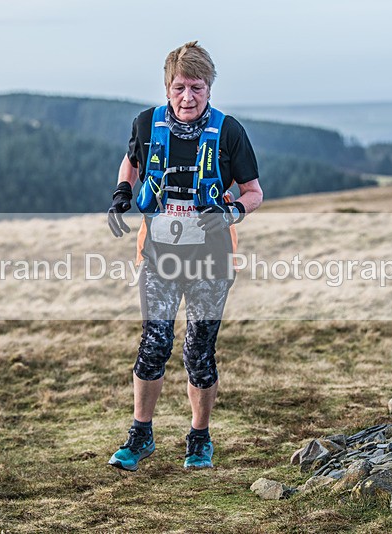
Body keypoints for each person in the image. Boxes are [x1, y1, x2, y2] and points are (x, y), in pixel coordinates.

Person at [106, 41, 263, 471]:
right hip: (158, 257)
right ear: (167, 88)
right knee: (153, 345)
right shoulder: (146, 124)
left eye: (197, 88)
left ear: (209, 88)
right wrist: (121, 193)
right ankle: (141, 435)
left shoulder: (229, 132)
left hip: (211, 261)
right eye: (179, 88)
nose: (188, 97)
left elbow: (254, 192)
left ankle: (199, 438)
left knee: (199, 353)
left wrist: (231, 211)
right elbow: (131, 161)